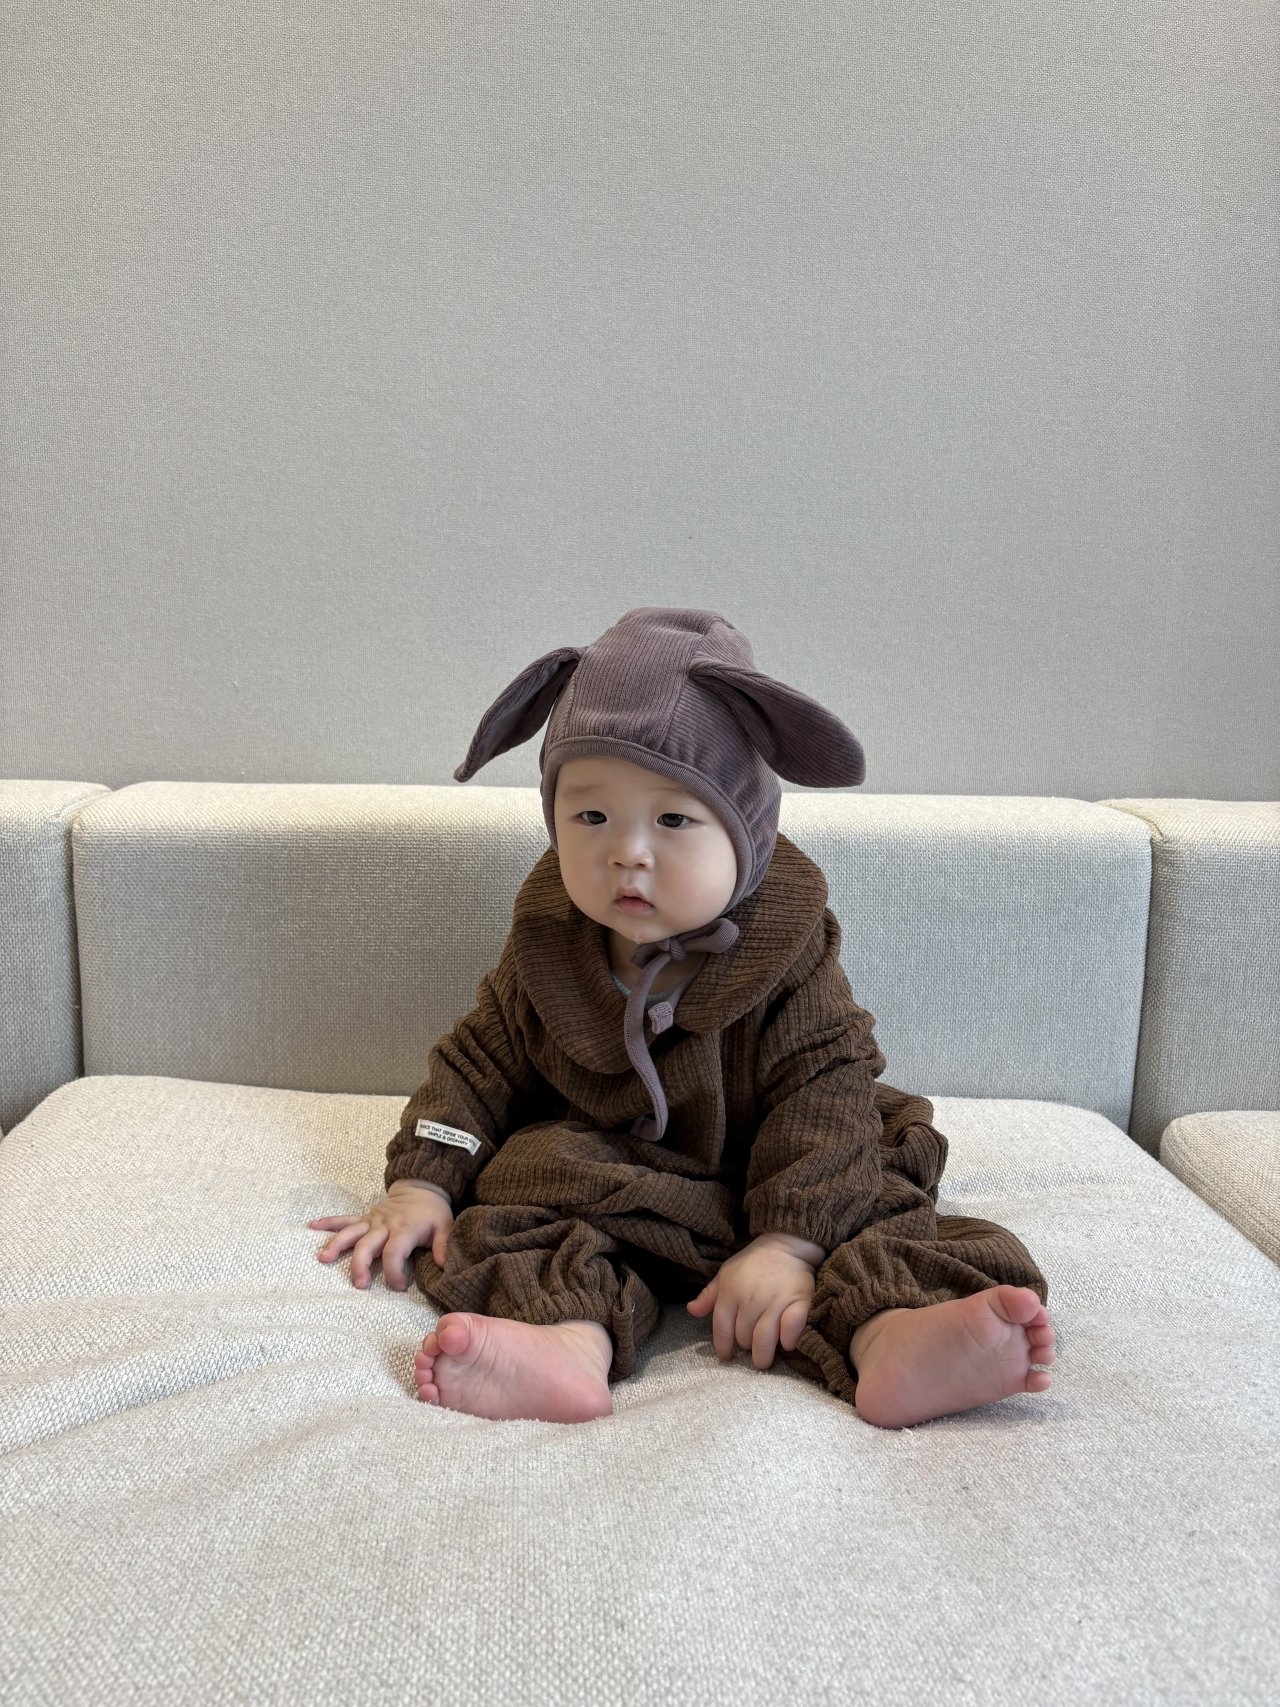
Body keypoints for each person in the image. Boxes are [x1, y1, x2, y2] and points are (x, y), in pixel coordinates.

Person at [309, 607, 1055, 1427]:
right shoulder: (550, 941)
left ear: (746, 831)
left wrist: (789, 1241)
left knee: (876, 1190)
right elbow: (478, 1064)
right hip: (616, 1180)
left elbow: (823, 1086)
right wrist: (423, 1180)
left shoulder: (787, 948)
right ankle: (566, 1341)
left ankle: (895, 1334)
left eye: (673, 819)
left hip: (779, 1160)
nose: (627, 851)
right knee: (519, 1198)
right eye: (591, 816)